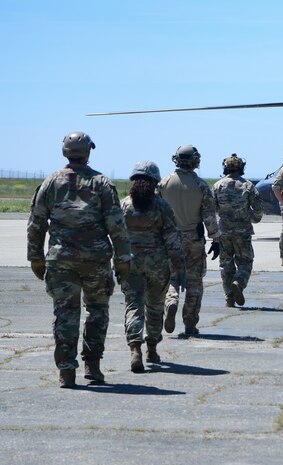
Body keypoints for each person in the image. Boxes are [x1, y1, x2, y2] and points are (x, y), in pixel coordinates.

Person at [27, 131, 131, 388]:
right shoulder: (102, 183)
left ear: (64, 151)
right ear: (88, 151)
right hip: (95, 260)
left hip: (60, 260)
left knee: (65, 314)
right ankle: (93, 366)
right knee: (97, 312)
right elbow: (116, 225)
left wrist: (36, 258)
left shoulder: (51, 182)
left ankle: (66, 370)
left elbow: (36, 223)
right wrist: (123, 258)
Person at [120, 161, 185, 372]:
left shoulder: (124, 205)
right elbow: (172, 240)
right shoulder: (162, 206)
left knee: (133, 306)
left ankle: (134, 349)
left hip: (131, 264)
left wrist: (117, 260)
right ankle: (152, 348)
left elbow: (116, 236)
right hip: (158, 265)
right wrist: (179, 267)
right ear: (155, 182)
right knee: (155, 307)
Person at [158, 145, 219, 337]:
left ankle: (171, 302)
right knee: (194, 282)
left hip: (169, 239)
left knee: (171, 277)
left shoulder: (164, 183)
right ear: (195, 160)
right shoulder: (201, 185)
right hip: (193, 239)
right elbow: (209, 216)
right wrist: (215, 238)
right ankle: (190, 324)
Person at [212, 154, 263, 307]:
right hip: (243, 232)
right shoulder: (247, 185)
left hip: (224, 232)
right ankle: (239, 283)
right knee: (245, 262)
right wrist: (253, 218)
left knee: (226, 264)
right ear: (241, 168)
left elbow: (211, 209)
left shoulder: (217, 186)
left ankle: (229, 297)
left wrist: (214, 232)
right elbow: (258, 209)